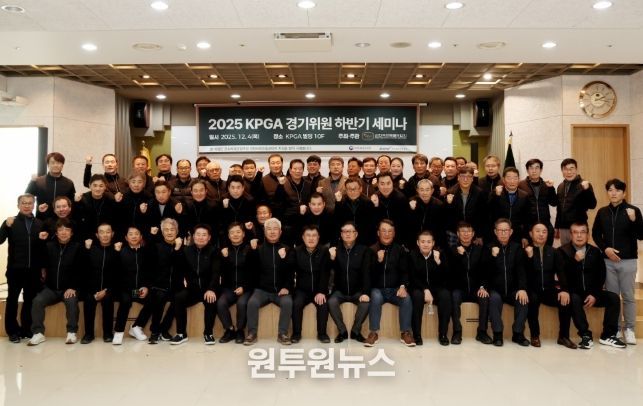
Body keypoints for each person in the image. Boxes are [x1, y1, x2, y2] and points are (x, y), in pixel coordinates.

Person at [558, 222, 626, 349]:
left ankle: (608, 335)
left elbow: (601, 275)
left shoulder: (595, 251)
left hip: (592, 293)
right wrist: (574, 261)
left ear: (587, 235)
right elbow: (562, 274)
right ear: (571, 235)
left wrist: (594, 294)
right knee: (574, 298)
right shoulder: (562, 251)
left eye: (582, 232)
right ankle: (585, 335)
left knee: (614, 298)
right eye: (575, 232)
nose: (579, 235)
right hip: (574, 293)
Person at [592, 179, 643, 345]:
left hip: (628, 260)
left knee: (628, 296)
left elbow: (641, 235)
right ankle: (614, 330)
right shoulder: (602, 212)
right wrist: (605, 248)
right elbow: (595, 234)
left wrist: (634, 220)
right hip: (608, 262)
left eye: (617, 190)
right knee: (612, 298)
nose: (613, 193)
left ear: (624, 193)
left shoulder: (633, 210)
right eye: (610, 190)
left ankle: (629, 329)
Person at [28, 218, 82, 346]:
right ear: (56, 233)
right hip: (51, 289)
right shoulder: (49, 246)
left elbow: (81, 270)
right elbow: (37, 258)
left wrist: (73, 287)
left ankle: (72, 332)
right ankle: (38, 333)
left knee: (72, 301)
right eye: (60, 230)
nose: (64, 232)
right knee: (37, 301)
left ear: (71, 233)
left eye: (67, 230)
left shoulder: (77, 247)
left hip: (68, 289)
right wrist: (41, 241)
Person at [0, 194, 45, 342]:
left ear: (33, 205)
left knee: (29, 301)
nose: (27, 206)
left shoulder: (39, 223)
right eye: (24, 203)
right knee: (12, 300)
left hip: (33, 270)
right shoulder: (10, 222)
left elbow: (43, 248)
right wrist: (5, 225)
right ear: (18, 205)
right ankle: (12, 331)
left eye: (30, 203)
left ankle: (26, 329)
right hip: (15, 269)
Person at [244, 218, 295, 345]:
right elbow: (250, 268)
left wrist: (287, 287)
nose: (272, 232)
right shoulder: (258, 248)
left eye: (275, 229)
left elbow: (291, 271)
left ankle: (282, 334)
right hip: (262, 290)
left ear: (280, 232)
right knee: (252, 303)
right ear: (265, 232)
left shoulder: (287, 249)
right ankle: (252, 333)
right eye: (269, 229)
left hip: (281, 290)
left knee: (288, 302)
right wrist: (252, 251)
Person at [525, 223, 576, 349]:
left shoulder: (554, 252)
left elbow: (561, 272)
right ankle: (534, 335)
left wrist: (564, 290)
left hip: (549, 290)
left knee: (566, 300)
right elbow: (524, 274)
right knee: (533, 300)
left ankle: (563, 336)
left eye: (544, 232)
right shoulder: (525, 251)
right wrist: (529, 258)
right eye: (538, 231)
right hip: (532, 290)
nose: (541, 234)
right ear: (531, 234)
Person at [364, 220, 415, 347]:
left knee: (406, 298)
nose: (386, 234)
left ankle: (405, 332)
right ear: (378, 233)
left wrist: (403, 286)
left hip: (394, 290)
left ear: (394, 233)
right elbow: (368, 274)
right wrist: (378, 261)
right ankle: (373, 333)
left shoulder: (400, 250)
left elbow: (404, 271)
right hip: (377, 289)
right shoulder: (371, 250)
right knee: (375, 296)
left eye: (390, 231)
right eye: (383, 231)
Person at [172, 224, 219, 345]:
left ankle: (208, 333)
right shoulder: (186, 250)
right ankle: (181, 333)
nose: (201, 237)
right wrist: (177, 249)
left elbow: (216, 272)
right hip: (192, 289)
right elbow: (178, 268)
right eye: (198, 234)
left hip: (207, 288)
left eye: (204, 235)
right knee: (179, 297)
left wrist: (211, 289)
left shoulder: (214, 251)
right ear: (193, 236)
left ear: (209, 237)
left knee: (211, 299)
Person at [485, 218, 529, 347]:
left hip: (512, 289)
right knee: (494, 299)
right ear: (495, 232)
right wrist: (493, 257)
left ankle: (518, 333)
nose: (503, 233)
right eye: (500, 230)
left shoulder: (517, 248)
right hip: (495, 289)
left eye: (506, 230)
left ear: (511, 232)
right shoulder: (488, 247)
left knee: (523, 298)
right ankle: (497, 334)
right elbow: (485, 271)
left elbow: (521, 270)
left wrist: (522, 288)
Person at [447, 222, 492, 345]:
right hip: (459, 288)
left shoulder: (480, 249)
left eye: (468, 231)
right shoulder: (452, 250)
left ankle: (482, 332)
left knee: (484, 297)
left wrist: (482, 287)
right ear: (458, 234)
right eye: (463, 231)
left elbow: (485, 271)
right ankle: (457, 332)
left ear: (473, 234)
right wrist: (459, 256)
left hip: (476, 288)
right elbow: (450, 273)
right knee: (454, 296)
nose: (466, 234)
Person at [328, 221, 371, 343]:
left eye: (350, 231)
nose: (347, 234)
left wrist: (366, 292)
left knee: (366, 303)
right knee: (331, 302)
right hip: (340, 291)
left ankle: (355, 331)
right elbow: (328, 271)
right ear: (341, 234)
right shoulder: (335, 250)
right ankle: (342, 331)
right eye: (345, 231)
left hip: (357, 291)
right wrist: (331, 258)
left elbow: (367, 273)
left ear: (356, 234)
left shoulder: (364, 250)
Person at [409, 230, 451, 346]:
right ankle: (417, 335)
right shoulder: (412, 255)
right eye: (423, 241)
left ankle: (443, 334)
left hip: (436, 288)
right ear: (418, 243)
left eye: (428, 242)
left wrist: (439, 262)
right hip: (418, 287)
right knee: (417, 296)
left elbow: (446, 277)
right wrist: (425, 289)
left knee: (445, 295)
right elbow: (412, 277)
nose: (426, 244)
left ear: (433, 243)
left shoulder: (439, 255)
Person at [218, 223, 257, 344]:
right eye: (232, 232)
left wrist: (244, 287)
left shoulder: (249, 249)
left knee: (242, 303)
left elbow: (254, 273)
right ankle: (229, 330)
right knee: (220, 303)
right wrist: (224, 258)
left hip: (246, 288)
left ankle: (240, 330)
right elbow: (221, 273)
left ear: (243, 234)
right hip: (229, 288)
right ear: (228, 236)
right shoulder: (224, 251)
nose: (235, 235)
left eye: (238, 232)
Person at [291, 225, 331, 343]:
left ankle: (322, 334)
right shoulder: (296, 251)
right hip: (302, 290)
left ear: (318, 237)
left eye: (314, 235)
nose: (311, 238)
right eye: (308, 235)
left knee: (323, 304)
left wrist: (321, 291)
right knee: (296, 303)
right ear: (303, 237)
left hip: (319, 289)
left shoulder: (324, 251)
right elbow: (290, 271)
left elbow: (325, 273)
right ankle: (296, 333)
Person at [81, 223, 119, 344]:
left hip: (110, 289)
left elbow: (118, 275)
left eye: (108, 232)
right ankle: (88, 334)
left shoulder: (116, 250)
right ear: (97, 235)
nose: (105, 235)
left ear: (112, 234)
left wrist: (106, 290)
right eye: (101, 232)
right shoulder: (91, 249)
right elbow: (84, 272)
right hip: (92, 288)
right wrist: (94, 292)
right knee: (88, 299)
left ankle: (108, 333)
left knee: (108, 299)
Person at [115, 226, 152, 345]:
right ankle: (119, 332)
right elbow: (116, 273)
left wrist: (146, 287)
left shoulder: (146, 252)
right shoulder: (121, 252)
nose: (134, 236)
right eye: (131, 234)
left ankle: (136, 326)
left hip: (140, 290)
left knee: (154, 299)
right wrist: (116, 253)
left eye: (136, 234)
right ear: (126, 238)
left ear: (141, 237)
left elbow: (150, 272)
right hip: (126, 290)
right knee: (125, 301)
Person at [555, 158, 597, 245]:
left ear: (576, 169)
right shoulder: (560, 186)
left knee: (579, 252)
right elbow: (559, 208)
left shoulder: (584, 184)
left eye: (571, 168)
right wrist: (557, 226)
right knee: (565, 252)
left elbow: (592, 205)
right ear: (562, 171)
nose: (569, 172)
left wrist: (587, 190)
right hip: (563, 228)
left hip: (579, 227)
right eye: (566, 169)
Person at [518, 158, 557, 245]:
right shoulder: (520, 185)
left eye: (537, 168)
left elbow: (554, 203)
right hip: (529, 228)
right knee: (530, 252)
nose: (534, 171)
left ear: (541, 170)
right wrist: (524, 233)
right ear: (527, 170)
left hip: (545, 226)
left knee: (547, 251)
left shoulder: (546, 185)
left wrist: (551, 188)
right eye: (531, 168)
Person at [26, 152, 76, 220]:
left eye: (58, 163)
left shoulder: (69, 183)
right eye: (52, 163)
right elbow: (27, 197)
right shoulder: (39, 181)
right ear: (48, 165)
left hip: (62, 221)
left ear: (62, 165)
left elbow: (72, 203)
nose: (55, 165)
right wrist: (32, 182)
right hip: (42, 218)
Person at [444, 167, 486, 247]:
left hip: (473, 232)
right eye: (463, 176)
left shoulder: (479, 193)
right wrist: (448, 204)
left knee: (473, 253)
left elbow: (483, 216)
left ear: (472, 178)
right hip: (455, 232)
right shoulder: (450, 192)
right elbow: (447, 216)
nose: (465, 180)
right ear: (458, 178)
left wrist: (479, 235)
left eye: (469, 177)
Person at [488, 167, 529, 246]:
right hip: (498, 233)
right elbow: (490, 212)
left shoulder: (524, 195)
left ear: (519, 179)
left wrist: (525, 236)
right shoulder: (495, 193)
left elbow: (527, 218)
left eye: (515, 178)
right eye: (509, 178)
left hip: (517, 234)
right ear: (503, 180)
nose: (512, 181)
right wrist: (496, 196)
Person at [73, 174, 117, 241]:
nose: (98, 189)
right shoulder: (83, 199)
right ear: (90, 186)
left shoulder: (110, 200)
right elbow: (77, 218)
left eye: (101, 186)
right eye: (95, 185)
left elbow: (114, 220)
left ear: (105, 187)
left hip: (104, 237)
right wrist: (76, 203)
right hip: (86, 237)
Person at [334, 177, 377, 246]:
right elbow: (337, 222)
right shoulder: (341, 202)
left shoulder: (368, 203)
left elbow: (372, 225)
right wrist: (338, 204)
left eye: (355, 189)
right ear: (346, 190)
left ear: (360, 189)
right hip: (345, 240)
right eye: (349, 189)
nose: (352, 192)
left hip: (364, 241)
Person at [371, 172, 409, 244]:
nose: (385, 187)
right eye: (382, 184)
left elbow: (405, 223)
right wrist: (375, 206)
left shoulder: (401, 198)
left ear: (392, 183)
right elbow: (372, 222)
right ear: (378, 185)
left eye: (388, 183)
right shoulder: (374, 198)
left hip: (398, 239)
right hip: (379, 239)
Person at [408, 179, 446, 249]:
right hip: (414, 243)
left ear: (432, 191)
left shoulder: (439, 205)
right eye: (421, 190)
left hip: (432, 243)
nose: (424, 193)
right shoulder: (411, 202)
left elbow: (441, 229)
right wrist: (411, 210)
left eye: (427, 190)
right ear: (417, 190)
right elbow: (407, 226)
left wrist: (437, 246)